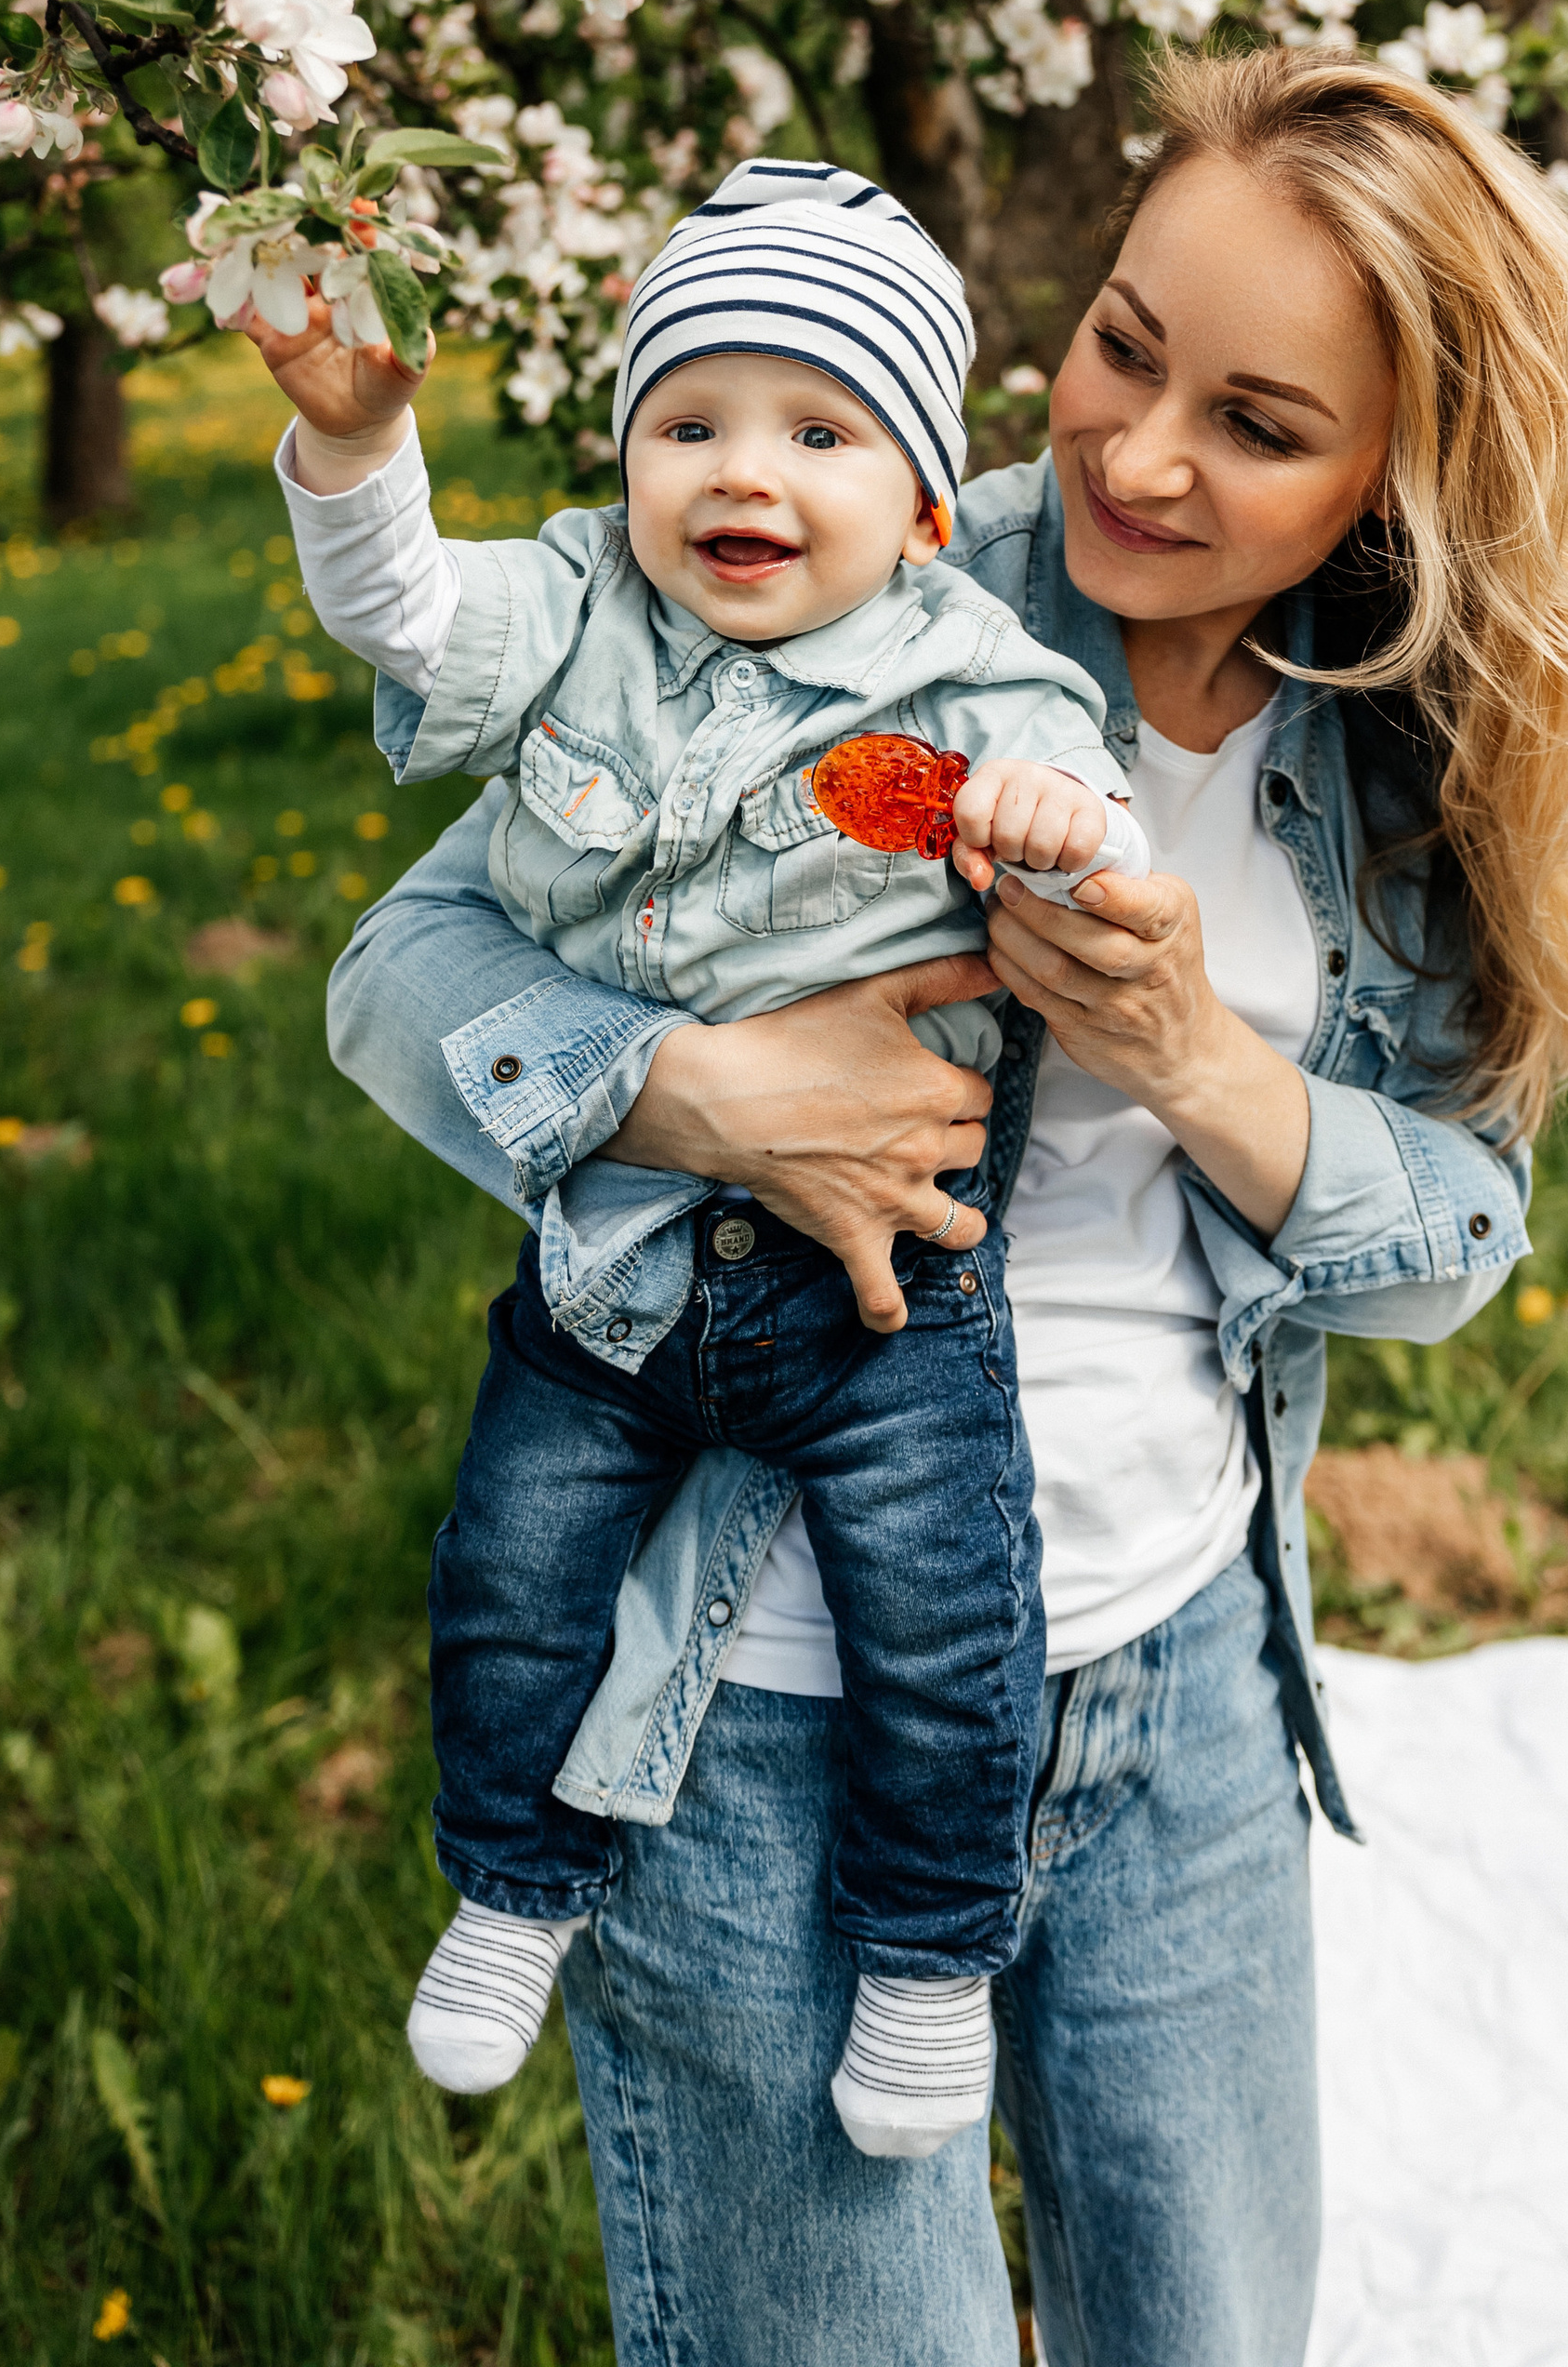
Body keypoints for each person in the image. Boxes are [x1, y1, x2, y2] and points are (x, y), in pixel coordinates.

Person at [329, 46, 1568, 2367]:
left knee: (1208, 2324)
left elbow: (1456, 1234)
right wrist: (706, 1097)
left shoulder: (1397, 746)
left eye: (1257, 426)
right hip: (754, 1692)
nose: (1138, 454)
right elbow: (397, 976)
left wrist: (1196, 1065)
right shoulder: (839, 561)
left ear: (1393, 480)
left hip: (1175, 1689)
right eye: (1123, 344)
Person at [248, 157, 1151, 2155]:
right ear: (629, 456)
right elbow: (402, 604)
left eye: (817, 431)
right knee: (508, 1577)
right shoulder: (579, 604)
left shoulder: (970, 674)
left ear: (921, 500)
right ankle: (511, 1881)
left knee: (943, 1614)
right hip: (621, 1252)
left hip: (884, 1283)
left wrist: (1055, 817)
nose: (743, 472)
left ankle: (926, 1960)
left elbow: (1104, 826)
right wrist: (358, 437)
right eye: (691, 423)